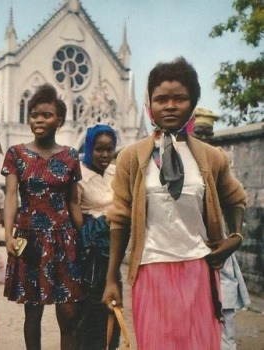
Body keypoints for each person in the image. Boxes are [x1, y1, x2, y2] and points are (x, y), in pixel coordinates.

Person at [102, 57, 247, 349]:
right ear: (150, 104)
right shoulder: (132, 157)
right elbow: (119, 220)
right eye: (161, 99)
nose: (169, 105)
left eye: (179, 98)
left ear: (192, 102)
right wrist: (112, 279)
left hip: (199, 273)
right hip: (151, 271)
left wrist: (236, 237)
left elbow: (236, 199)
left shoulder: (210, 156)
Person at [2, 83, 84, 350]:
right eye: (34, 114)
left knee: (69, 313)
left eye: (46, 115)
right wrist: (8, 235)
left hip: (64, 239)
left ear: (59, 120)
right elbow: (12, 195)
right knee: (33, 312)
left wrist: (82, 238)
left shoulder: (71, 156)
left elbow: (73, 201)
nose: (38, 119)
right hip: (31, 239)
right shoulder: (17, 154)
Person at [193, 107, 251, 350]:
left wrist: (235, 236)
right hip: (189, 249)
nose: (204, 140)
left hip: (219, 247)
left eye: (209, 134)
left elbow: (237, 198)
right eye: (199, 134)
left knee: (224, 317)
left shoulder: (218, 160)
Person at [76, 124, 120, 349]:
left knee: (113, 304)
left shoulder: (117, 172)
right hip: (92, 250)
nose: (104, 155)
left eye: (109, 149)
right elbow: (75, 211)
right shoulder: (80, 175)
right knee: (93, 304)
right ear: (90, 148)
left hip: (115, 244)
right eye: (99, 149)